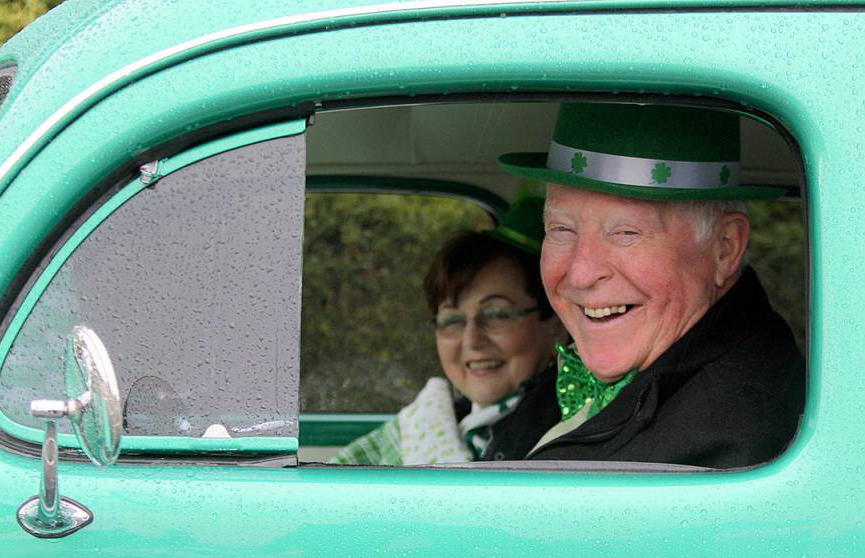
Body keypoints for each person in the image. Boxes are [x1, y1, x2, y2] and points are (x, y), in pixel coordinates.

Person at [482, 102, 805, 468]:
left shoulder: (734, 443)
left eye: (626, 233)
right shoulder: (641, 358)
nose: (581, 274)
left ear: (725, 248)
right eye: (561, 229)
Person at [331, 197, 566, 465]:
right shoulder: (428, 425)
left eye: (496, 314)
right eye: (452, 320)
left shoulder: (566, 441)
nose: (472, 340)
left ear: (556, 327)